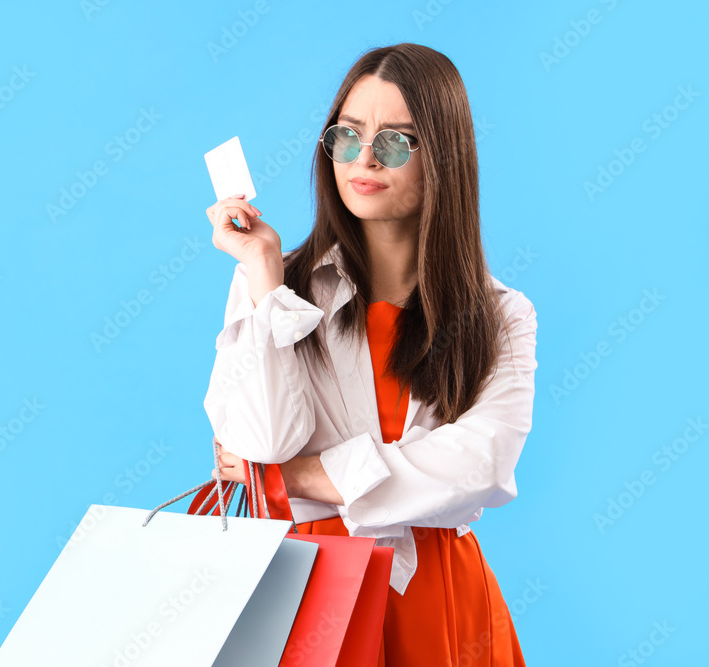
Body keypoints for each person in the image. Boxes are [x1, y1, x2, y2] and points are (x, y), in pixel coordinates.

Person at [203, 42, 535, 666]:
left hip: (442, 600)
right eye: (347, 136)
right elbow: (266, 440)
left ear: (445, 157)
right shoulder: (275, 286)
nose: (362, 159)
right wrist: (264, 279)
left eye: (394, 143)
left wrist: (296, 479)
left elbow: (480, 466)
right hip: (309, 591)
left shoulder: (501, 314)